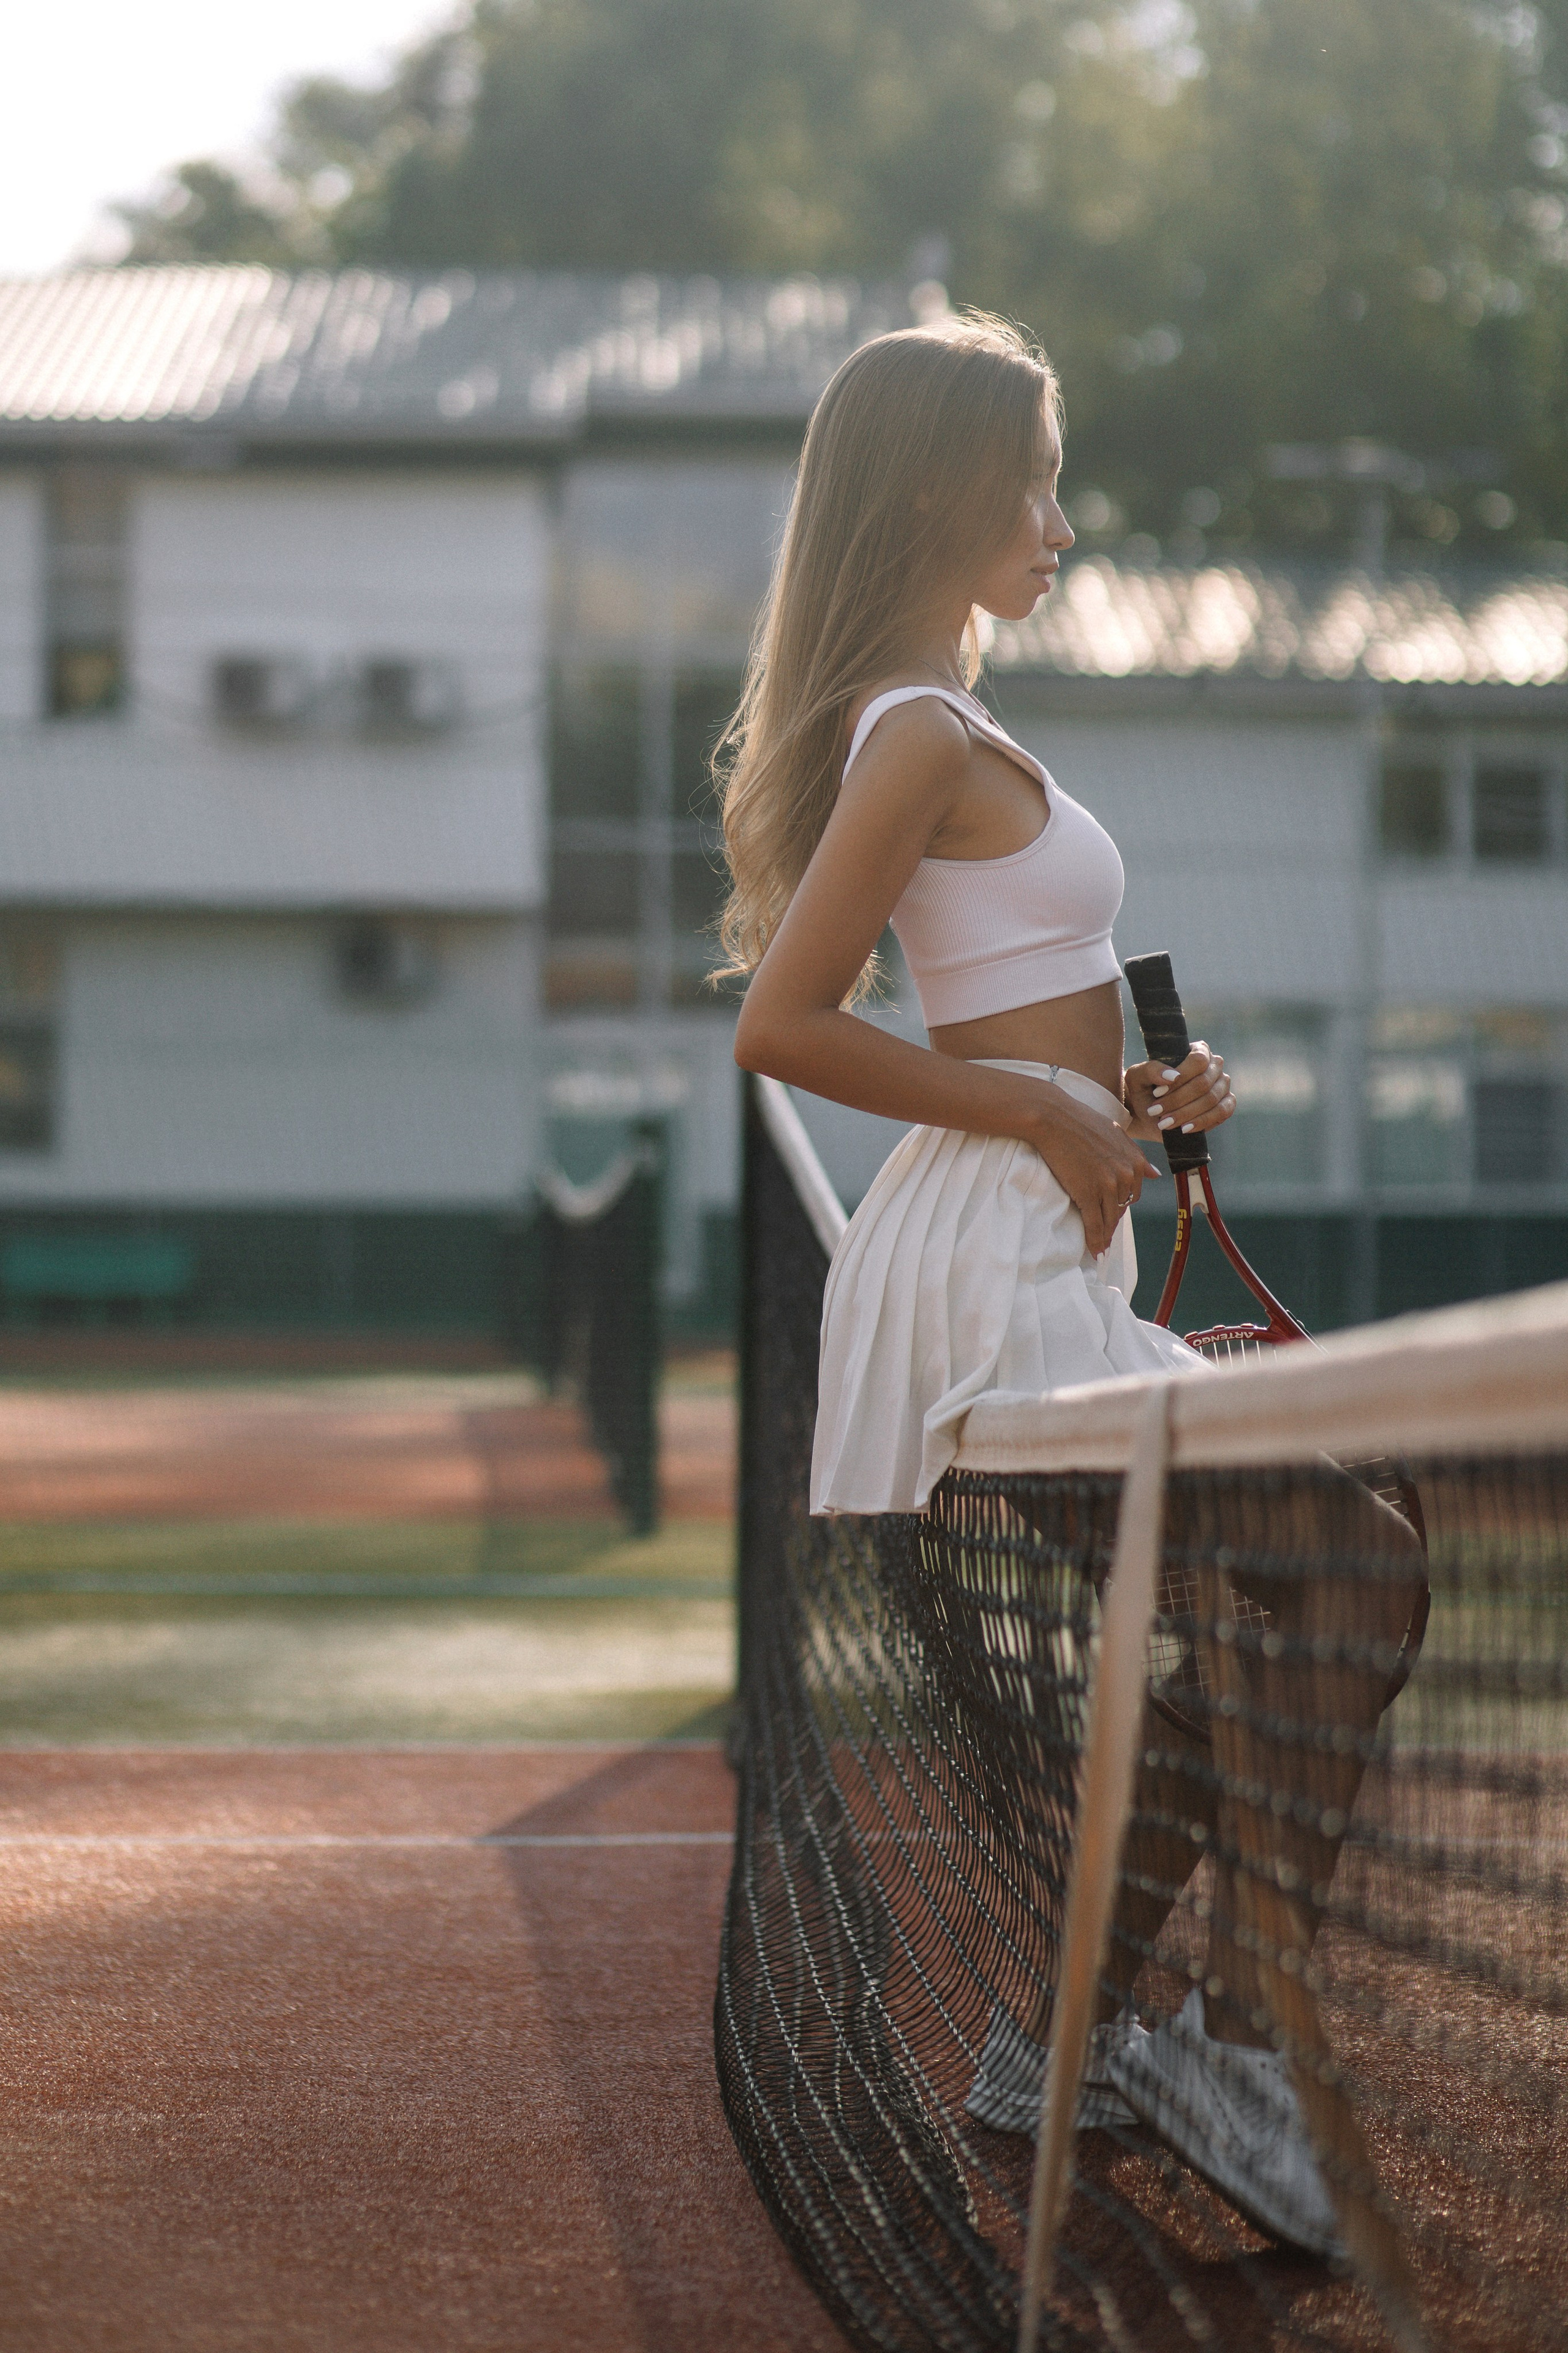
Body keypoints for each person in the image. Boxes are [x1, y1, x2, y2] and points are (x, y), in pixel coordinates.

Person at [717, 311, 1418, 2258]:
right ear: (945, 493)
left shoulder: (945, 724)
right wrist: (1039, 1114)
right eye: (1037, 480)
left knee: (1344, 1551)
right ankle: (1203, 2032)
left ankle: (1085, 2036)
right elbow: (785, 1024)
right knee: (1354, 1564)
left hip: (1045, 1248)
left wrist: (1126, 1093)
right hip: (986, 1278)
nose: (1063, 520)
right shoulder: (920, 727)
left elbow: (998, 1019)